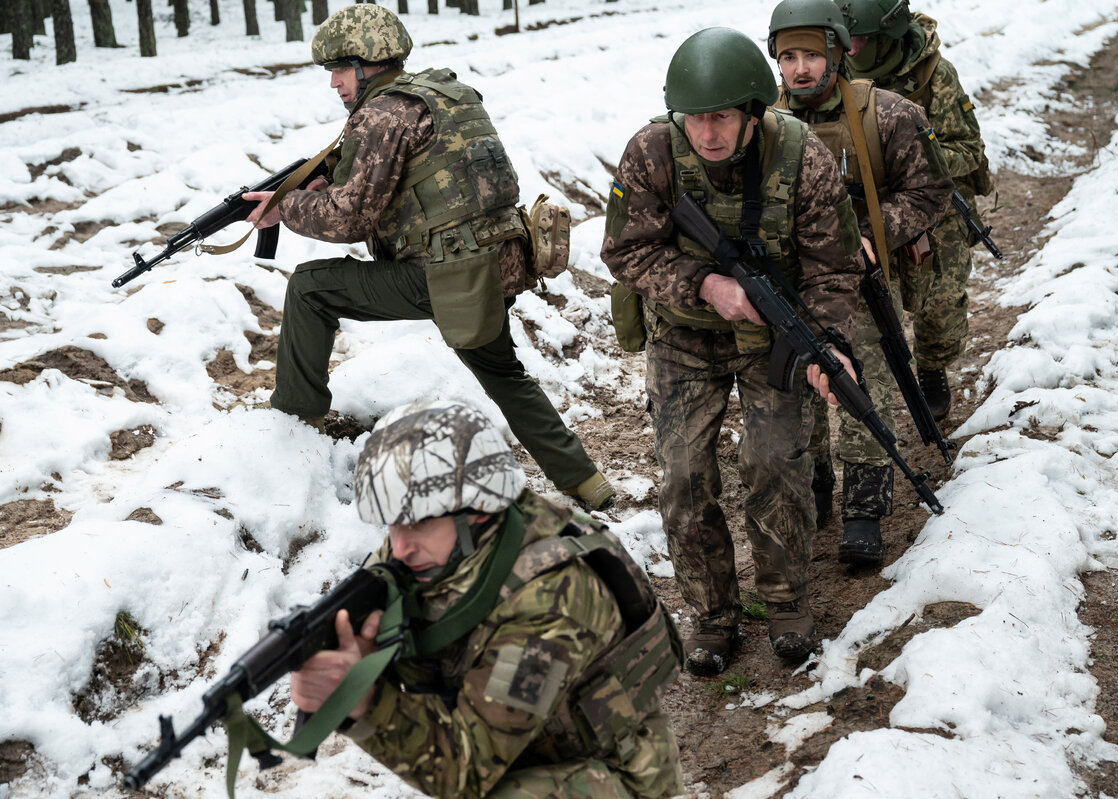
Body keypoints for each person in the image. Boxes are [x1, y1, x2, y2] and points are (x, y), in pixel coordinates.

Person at [242, 3, 612, 510]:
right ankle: (587, 482)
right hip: (498, 263)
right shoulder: (445, 93)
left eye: (337, 69)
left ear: (365, 63)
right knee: (504, 373)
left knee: (309, 287)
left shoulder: (380, 114)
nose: (332, 84)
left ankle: (292, 425)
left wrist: (286, 208)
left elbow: (350, 219)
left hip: (448, 274)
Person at [601, 27, 862, 675]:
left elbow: (834, 267)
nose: (707, 133)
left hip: (773, 334)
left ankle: (786, 602)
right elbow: (625, 250)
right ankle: (712, 613)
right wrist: (702, 283)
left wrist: (828, 343)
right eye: (695, 119)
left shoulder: (802, 156)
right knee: (685, 475)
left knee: (775, 463)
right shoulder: (652, 152)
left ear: (752, 111)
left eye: (721, 118)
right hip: (684, 334)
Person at [289, 400, 684, 798]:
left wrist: (365, 700)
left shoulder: (551, 600)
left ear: (478, 510)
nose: (400, 546)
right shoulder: (435, 552)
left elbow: (466, 770)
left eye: (420, 523)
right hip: (522, 750)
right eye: (393, 523)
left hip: (609, 772)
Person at [768, 0, 953, 565]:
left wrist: (873, 232)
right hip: (791, 284)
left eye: (811, 55)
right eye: (787, 56)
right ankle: (817, 486)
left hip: (864, 281)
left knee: (863, 386)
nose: (799, 69)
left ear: (839, 51)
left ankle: (865, 508)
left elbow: (931, 192)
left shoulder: (889, 114)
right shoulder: (760, 124)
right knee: (796, 389)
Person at [841, 0, 993, 420]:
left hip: (933, 203)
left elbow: (969, 149)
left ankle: (931, 366)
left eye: (856, 41)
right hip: (865, 206)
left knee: (939, 300)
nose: (846, 49)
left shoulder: (933, 75)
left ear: (884, 36)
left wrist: (913, 159)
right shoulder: (834, 74)